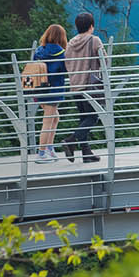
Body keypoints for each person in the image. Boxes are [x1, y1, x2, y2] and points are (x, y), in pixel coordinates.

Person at [61, 12, 105, 163]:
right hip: (90, 86)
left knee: (83, 118)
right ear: (91, 26)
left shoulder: (70, 43)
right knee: (93, 117)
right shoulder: (94, 40)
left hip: (75, 86)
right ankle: (71, 141)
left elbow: (67, 63)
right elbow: (104, 61)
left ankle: (86, 153)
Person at [27, 25, 68, 164]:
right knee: (47, 121)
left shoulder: (39, 51)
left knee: (55, 117)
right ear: (61, 37)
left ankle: (50, 148)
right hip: (53, 91)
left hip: (39, 90)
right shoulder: (62, 53)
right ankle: (41, 153)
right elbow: (66, 70)